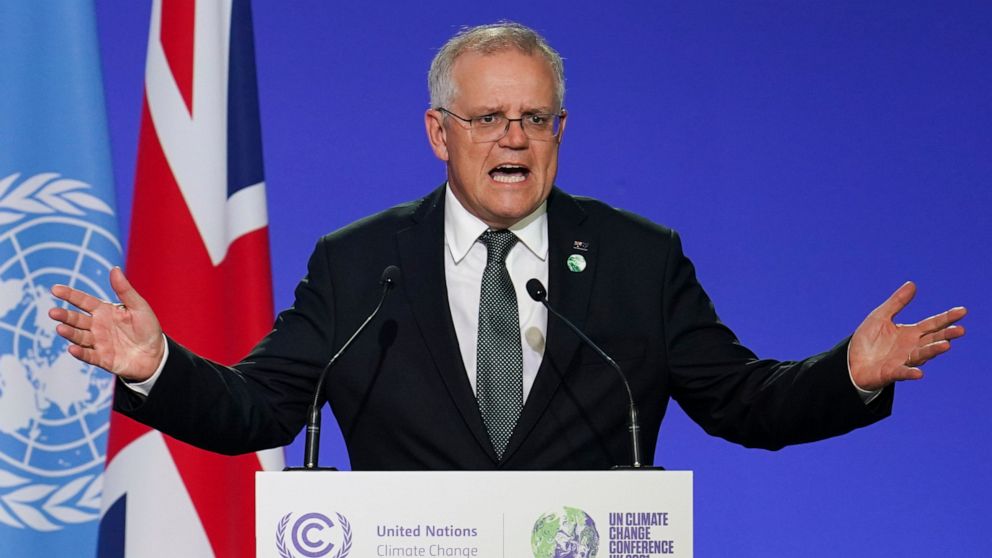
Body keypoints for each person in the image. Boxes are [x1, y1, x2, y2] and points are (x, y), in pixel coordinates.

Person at [49, 22, 965, 470]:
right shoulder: (361, 265)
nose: (514, 139)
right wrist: (157, 366)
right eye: (488, 118)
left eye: (536, 118)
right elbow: (261, 409)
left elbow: (742, 402)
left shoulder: (638, 261)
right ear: (438, 133)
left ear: (561, 131)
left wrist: (847, 373)